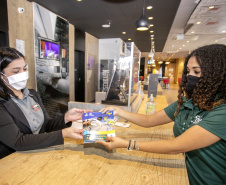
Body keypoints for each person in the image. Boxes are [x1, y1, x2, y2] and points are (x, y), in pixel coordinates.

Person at [98, 44, 226, 185]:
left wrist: (126, 144)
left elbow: (176, 146)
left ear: (217, 75)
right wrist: (119, 111)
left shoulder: (222, 113)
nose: (190, 76)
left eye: (196, 72)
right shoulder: (187, 102)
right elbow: (149, 120)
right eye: (188, 71)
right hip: (186, 174)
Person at [0, 46, 91, 159]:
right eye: (16, 71)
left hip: (38, 154)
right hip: (12, 161)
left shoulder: (33, 95)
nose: (22, 74)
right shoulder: (2, 103)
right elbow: (18, 142)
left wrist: (66, 118)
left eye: (24, 69)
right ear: (1, 75)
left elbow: (45, 125)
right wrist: (62, 134)